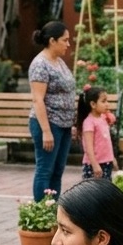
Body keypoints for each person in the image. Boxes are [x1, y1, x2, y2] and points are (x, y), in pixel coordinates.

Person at [28, 21, 76, 201]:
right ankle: (41, 212)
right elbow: (37, 99)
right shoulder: (40, 64)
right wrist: (46, 131)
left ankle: (54, 212)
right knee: (45, 170)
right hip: (48, 124)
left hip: (63, 125)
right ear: (52, 41)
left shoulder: (59, 62)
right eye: (65, 40)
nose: (68, 44)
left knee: (57, 171)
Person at [78, 87, 118, 181]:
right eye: (103, 101)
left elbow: (107, 143)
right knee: (92, 193)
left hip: (106, 163)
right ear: (93, 104)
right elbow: (88, 148)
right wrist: (95, 165)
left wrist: (112, 158)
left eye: (107, 101)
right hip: (93, 165)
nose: (107, 104)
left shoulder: (103, 118)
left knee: (105, 192)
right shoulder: (89, 122)